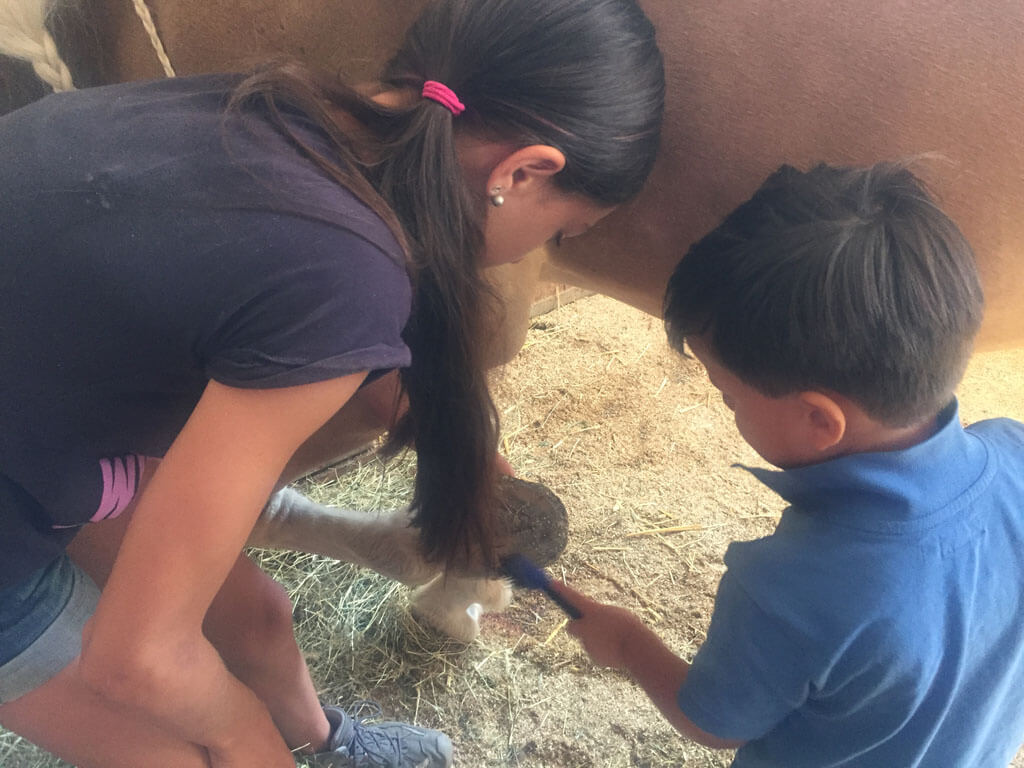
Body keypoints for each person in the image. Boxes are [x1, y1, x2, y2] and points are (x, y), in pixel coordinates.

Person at [0, 0, 665, 765]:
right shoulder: (346, 276)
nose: (537, 252)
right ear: (522, 171)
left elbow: (312, 332)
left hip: (39, 428)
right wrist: (244, 735)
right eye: (560, 232)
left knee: (257, 620)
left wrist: (458, 447)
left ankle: (327, 743)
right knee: (188, 754)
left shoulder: (293, 111)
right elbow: (136, 658)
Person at [554, 162, 1024, 766]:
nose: (725, 406)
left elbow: (715, 722)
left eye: (728, 394)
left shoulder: (791, 585)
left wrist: (625, 641)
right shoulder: (1014, 450)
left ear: (820, 422)